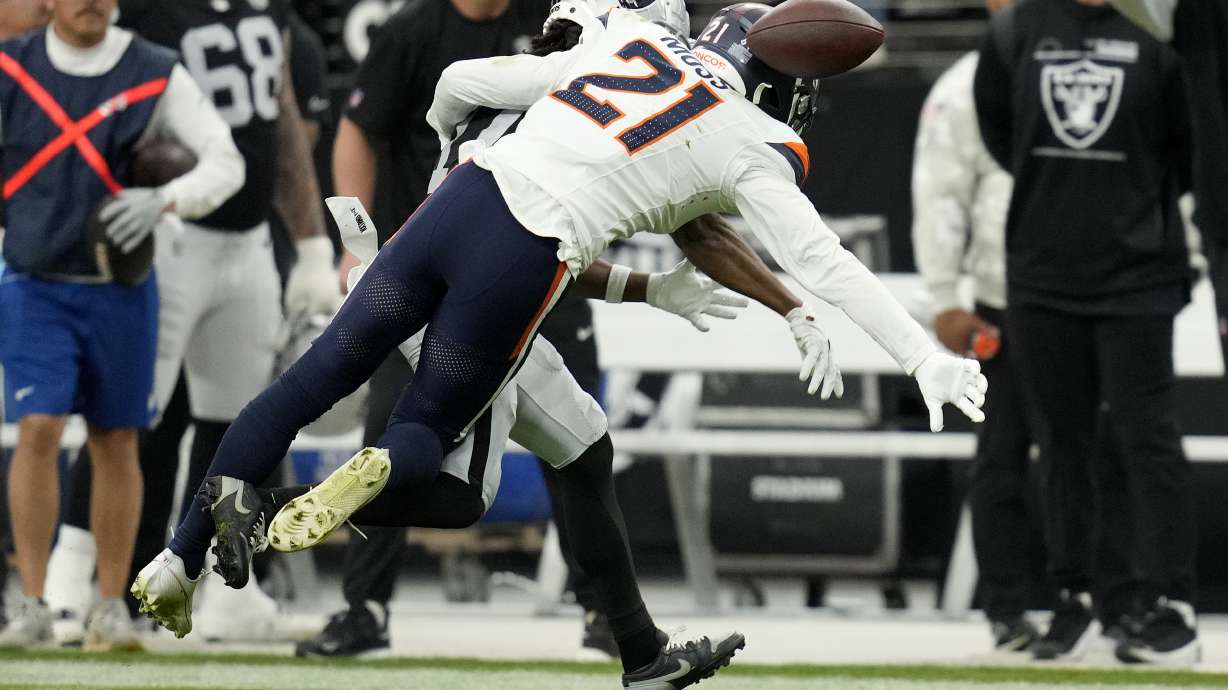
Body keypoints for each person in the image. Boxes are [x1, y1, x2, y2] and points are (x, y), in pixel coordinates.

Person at [143, 3, 987, 686]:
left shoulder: (634, 40)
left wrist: (444, 152)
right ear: (774, 78)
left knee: (310, 382)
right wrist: (922, 357)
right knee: (431, 433)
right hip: (526, 255)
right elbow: (824, 261)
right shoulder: (748, 139)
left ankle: (178, 562)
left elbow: (460, 81)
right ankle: (356, 485)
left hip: (453, 205)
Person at [41, 0, 342, 639]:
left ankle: (226, 587)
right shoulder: (149, 12)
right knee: (123, 417)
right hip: (170, 236)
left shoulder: (267, 11)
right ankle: (71, 587)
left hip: (250, 239)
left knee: (239, 429)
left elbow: (280, 116)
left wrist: (311, 240)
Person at [299, 0, 562, 659]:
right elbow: (359, 128)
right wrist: (355, 244)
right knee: (389, 428)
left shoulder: (554, 26)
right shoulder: (413, 32)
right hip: (428, 264)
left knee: (578, 440)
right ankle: (364, 606)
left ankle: (606, 609)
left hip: (536, 256)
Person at [0, 0, 243, 650]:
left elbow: (228, 161)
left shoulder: (154, 69)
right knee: (39, 428)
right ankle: (31, 601)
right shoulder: (11, 67)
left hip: (122, 287)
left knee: (117, 440)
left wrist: (166, 199)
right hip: (33, 281)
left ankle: (109, 605)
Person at [975, 0, 1199, 665]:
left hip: (1138, 275)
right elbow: (1001, 133)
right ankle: (1074, 596)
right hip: (1043, 276)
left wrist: (1127, 208)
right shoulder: (1016, 30)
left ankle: (1164, 606)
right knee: (1061, 444)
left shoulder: (1159, 29)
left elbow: (1186, 148)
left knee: (1147, 441)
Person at [911, 0, 1035, 652]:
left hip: (1088, 297)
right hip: (999, 299)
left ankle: (1110, 602)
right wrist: (946, 298)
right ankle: (1008, 610)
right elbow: (940, 196)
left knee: (1101, 459)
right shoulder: (964, 85)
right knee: (1002, 459)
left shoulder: (1103, 63)